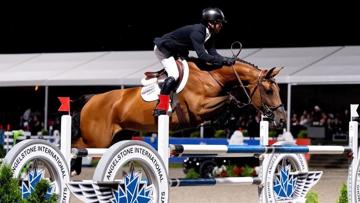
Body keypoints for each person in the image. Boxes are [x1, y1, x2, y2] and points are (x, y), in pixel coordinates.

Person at [153, 7, 236, 116]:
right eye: (219, 23)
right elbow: (202, 56)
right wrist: (223, 60)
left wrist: (225, 60)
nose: (221, 25)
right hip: (164, 49)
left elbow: (213, 53)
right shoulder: (198, 32)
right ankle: (161, 106)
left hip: (178, 50)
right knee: (174, 74)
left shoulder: (209, 34)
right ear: (210, 23)